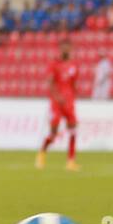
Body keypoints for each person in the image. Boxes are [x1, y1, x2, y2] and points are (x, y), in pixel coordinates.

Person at [36, 39, 79, 171]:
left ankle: (71, 161)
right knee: (53, 132)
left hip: (69, 102)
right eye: (63, 47)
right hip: (56, 103)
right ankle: (42, 152)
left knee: (73, 129)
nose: (66, 50)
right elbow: (50, 82)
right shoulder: (54, 64)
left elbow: (73, 84)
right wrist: (57, 97)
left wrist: (73, 97)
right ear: (60, 49)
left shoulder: (74, 65)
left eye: (68, 47)